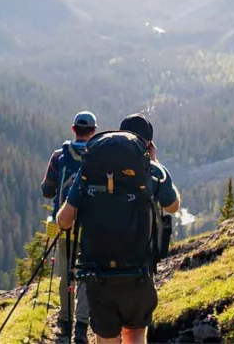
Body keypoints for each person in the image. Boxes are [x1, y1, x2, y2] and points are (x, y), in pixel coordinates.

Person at [55, 114, 179, 344]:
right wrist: (156, 162)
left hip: (98, 273)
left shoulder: (89, 171)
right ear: (148, 144)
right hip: (138, 271)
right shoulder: (154, 171)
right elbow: (172, 206)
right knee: (135, 334)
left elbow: (64, 220)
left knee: (105, 337)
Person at [41, 111, 98, 343]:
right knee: (85, 273)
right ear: (93, 131)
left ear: (74, 129)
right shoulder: (98, 156)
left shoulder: (58, 156)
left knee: (66, 272)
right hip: (90, 226)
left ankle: (65, 321)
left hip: (63, 223)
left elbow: (47, 190)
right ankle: (81, 328)